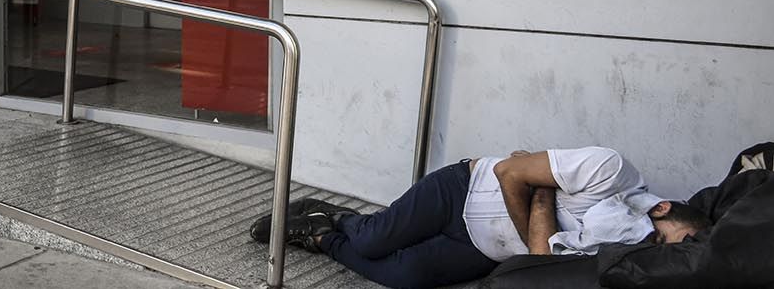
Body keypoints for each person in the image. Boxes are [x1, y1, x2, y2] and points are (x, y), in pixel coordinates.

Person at [249, 147, 711, 289]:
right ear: (663, 208)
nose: (669, 251)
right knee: (373, 241)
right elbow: (510, 170)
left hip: (483, 249)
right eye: (679, 240)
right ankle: (343, 218)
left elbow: (540, 262)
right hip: (461, 191)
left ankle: (320, 235)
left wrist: (542, 193)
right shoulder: (609, 171)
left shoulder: (626, 250)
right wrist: (536, 223)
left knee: (404, 277)